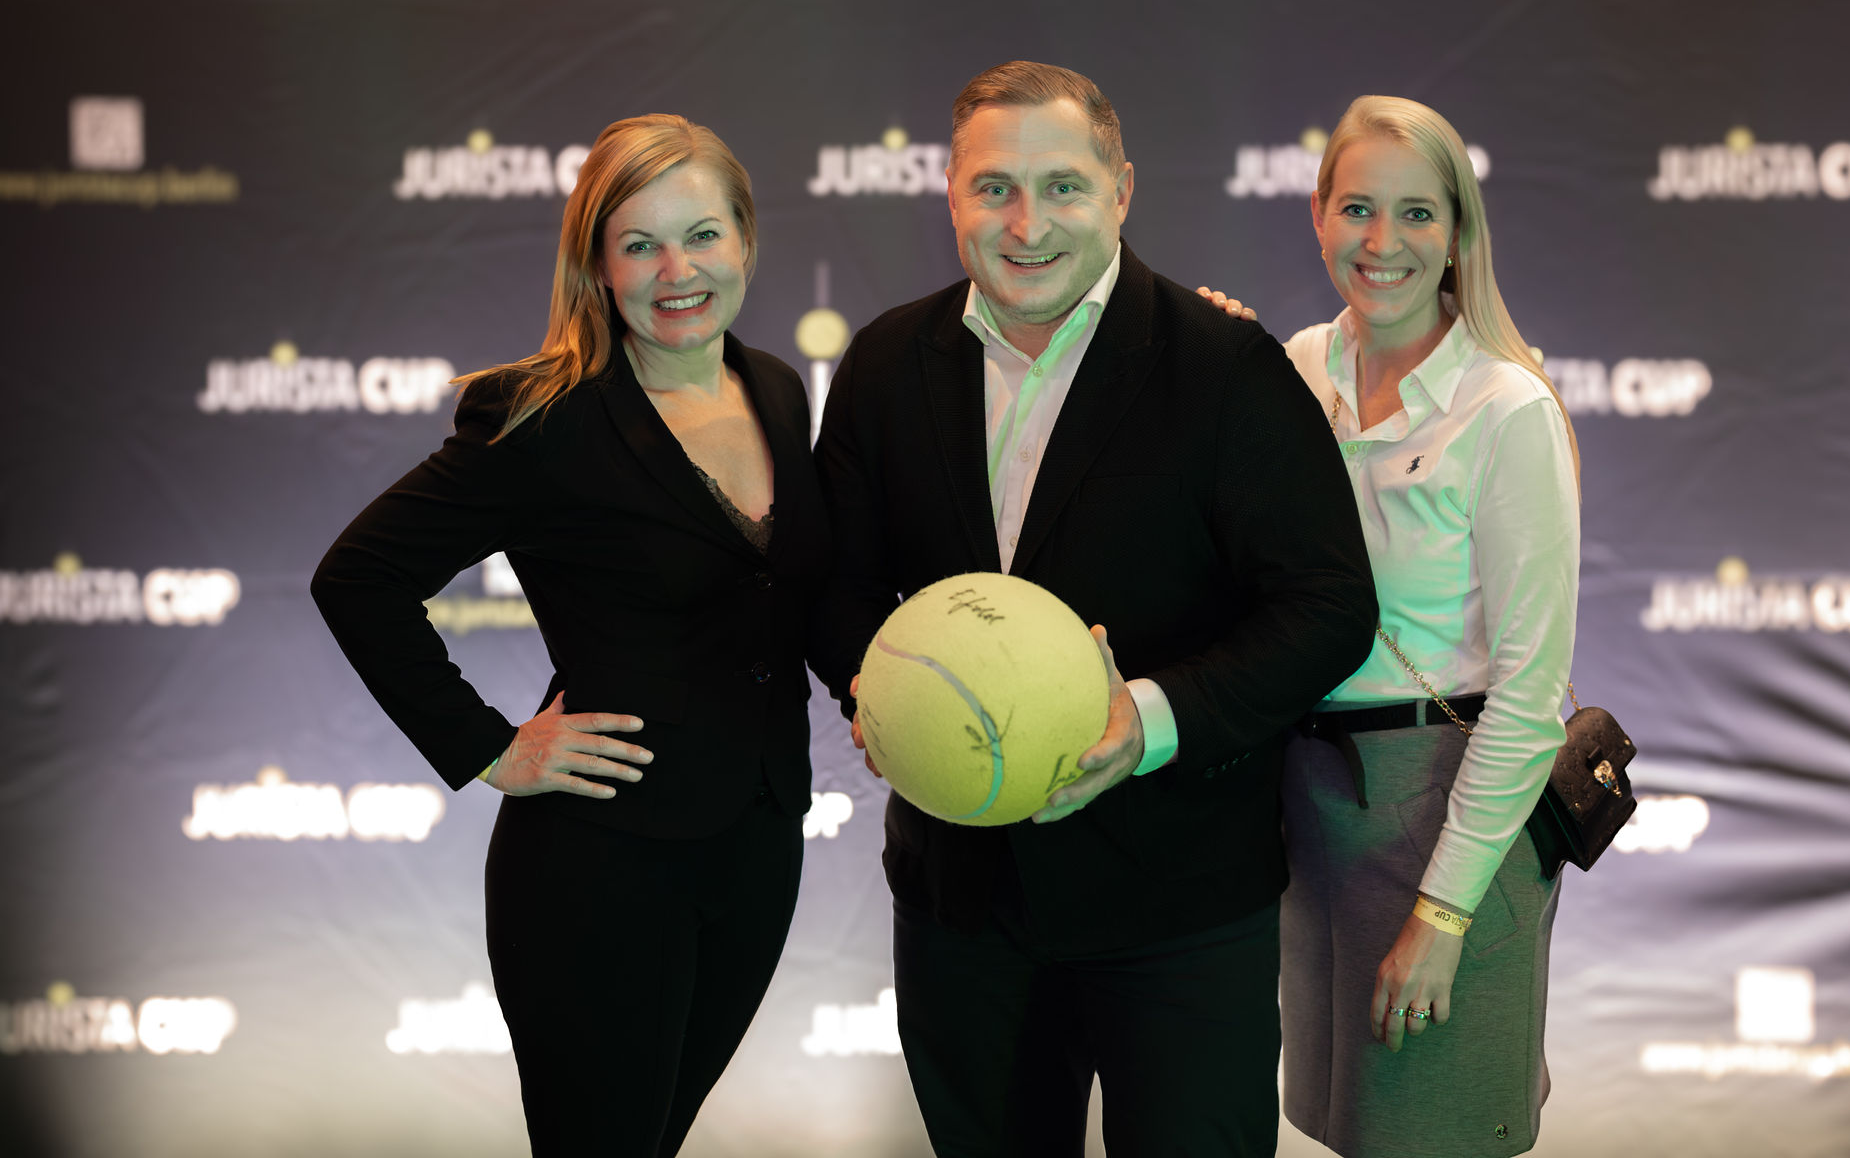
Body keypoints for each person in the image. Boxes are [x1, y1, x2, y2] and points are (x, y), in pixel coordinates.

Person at [810, 60, 1378, 1157]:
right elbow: (836, 586)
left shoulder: (1226, 367)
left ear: (1120, 191)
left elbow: (1326, 606)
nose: (1028, 225)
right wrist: (876, 689)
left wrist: (1149, 719)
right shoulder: (883, 364)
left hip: (1183, 907)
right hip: (961, 903)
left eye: (1063, 186)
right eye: (995, 188)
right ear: (952, 194)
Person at [310, 115, 829, 1157]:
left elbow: (784, 597)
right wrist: (491, 747)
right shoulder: (542, 416)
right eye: (640, 244)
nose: (677, 271)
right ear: (598, 264)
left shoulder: (776, 386)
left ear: (745, 238)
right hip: (601, 865)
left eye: (702, 234)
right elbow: (357, 578)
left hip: (757, 846)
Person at [1209, 94, 1580, 1156]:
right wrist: (1205, 353)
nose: (1384, 242)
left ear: (1459, 231)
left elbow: (1530, 694)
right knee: (1349, 1126)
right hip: (1311, 804)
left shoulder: (1505, 407)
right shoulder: (1293, 368)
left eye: (1417, 213)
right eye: (1358, 208)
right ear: (1318, 215)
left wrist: (1444, 913)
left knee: (1432, 1132)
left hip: (1446, 812)